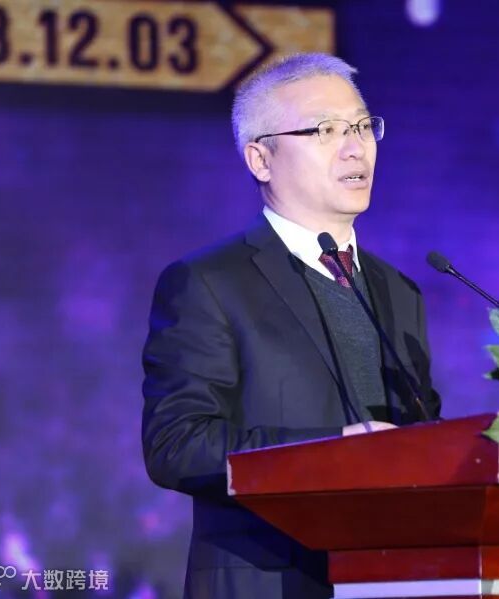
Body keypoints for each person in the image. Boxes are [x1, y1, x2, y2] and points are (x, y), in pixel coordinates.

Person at [141, 53, 440, 599]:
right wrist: (333, 452)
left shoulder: (399, 291)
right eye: (326, 130)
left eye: (361, 126)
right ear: (261, 159)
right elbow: (177, 445)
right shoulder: (209, 283)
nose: (355, 148)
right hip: (266, 583)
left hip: (391, 580)